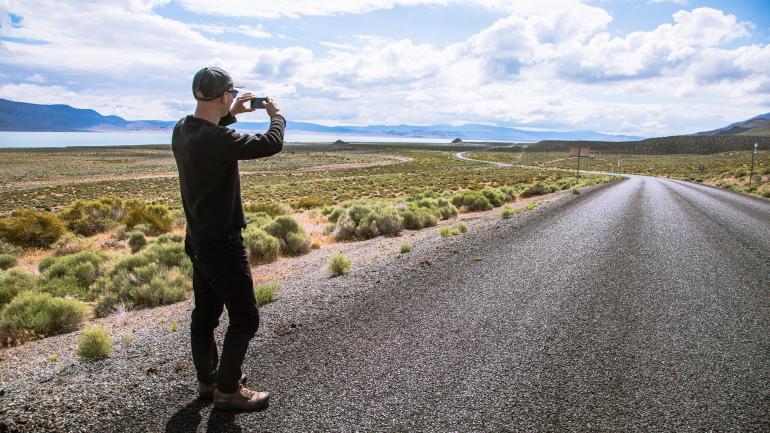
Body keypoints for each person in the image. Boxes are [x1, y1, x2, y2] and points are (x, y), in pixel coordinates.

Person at [172, 66, 285, 411]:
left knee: (205, 314)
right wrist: (276, 116)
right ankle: (228, 390)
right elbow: (271, 144)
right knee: (245, 317)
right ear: (223, 95)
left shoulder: (182, 130)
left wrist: (230, 114)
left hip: (198, 240)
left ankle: (208, 380)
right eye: (231, 94)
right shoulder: (216, 140)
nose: (233, 98)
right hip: (223, 243)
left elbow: (209, 134)